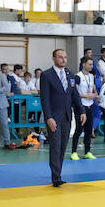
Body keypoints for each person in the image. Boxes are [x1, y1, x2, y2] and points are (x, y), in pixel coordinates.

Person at [39, 49, 85, 187]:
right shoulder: (47, 75)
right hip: (54, 116)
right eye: (60, 57)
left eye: (65, 57)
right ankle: (56, 177)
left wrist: (81, 110)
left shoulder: (70, 75)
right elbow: (44, 98)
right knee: (55, 146)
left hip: (67, 115)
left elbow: (74, 95)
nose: (63, 60)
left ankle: (58, 173)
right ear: (53, 58)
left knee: (63, 146)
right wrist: (48, 117)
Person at [70, 57, 99, 160]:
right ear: (83, 64)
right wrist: (87, 96)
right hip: (80, 106)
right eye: (89, 64)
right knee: (78, 129)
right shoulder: (77, 77)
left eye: (92, 64)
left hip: (90, 105)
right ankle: (74, 152)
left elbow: (93, 88)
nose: (91, 66)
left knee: (88, 130)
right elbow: (75, 93)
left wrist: (95, 95)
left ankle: (87, 151)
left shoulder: (91, 76)